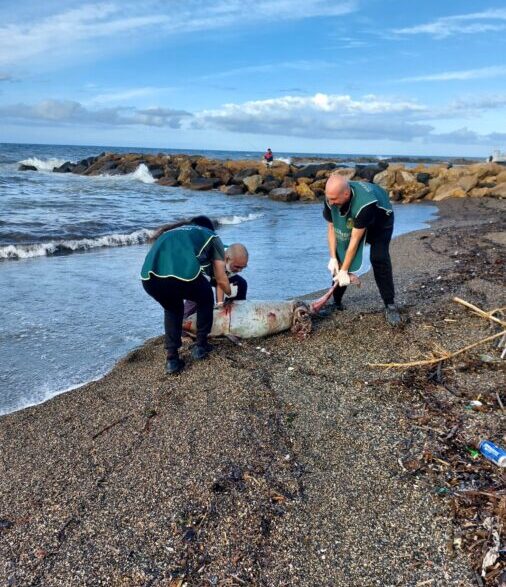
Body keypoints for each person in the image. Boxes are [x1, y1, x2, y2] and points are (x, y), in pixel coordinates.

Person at [141, 215, 237, 374]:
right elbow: (221, 277)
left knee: (172, 308)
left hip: (148, 279)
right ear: (209, 228)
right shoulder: (211, 236)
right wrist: (229, 293)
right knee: (205, 297)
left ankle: (172, 359)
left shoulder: (171, 233)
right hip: (178, 277)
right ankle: (200, 346)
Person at [323, 174, 401, 326]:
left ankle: (390, 305)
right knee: (340, 259)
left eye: (334, 199)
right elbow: (332, 228)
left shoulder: (365, 204)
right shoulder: (331, 198)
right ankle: (336, 302)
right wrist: (333, 257)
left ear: (346, 194)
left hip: (380, 223)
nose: (331, 203)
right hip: (355, 218)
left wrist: (345, 271)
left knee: (379, 258)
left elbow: (355, 239)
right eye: (328, 198)